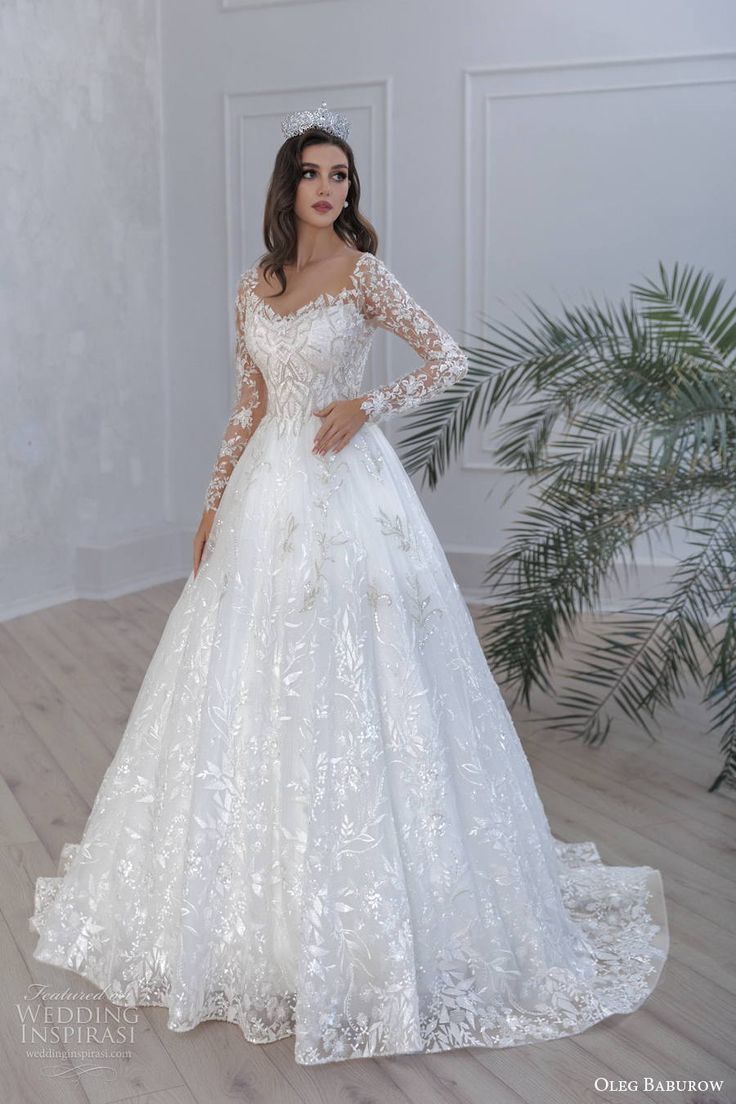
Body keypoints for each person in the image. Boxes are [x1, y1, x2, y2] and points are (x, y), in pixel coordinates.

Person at [29, 102, 669, 1067]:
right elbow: (247, 403)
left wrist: (368, 405)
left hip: (350, 495)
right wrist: (209, 504)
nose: (329, 190)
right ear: (286, 188)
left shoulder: (365, 274)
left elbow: (448, 358)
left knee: (367, 677)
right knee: (247, 682)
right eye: (314, 175)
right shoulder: (254, 287)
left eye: (342, 177)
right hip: (262, 498)